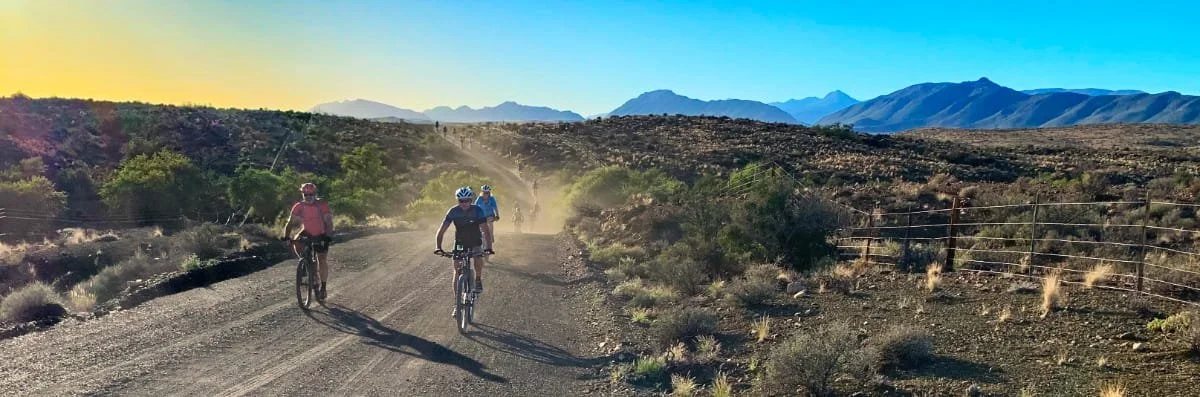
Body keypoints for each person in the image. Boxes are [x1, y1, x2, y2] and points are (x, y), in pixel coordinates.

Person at [435, 187, 492, 317]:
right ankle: (457, 304)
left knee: (478, 258)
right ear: (458, 200)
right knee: (456, 269)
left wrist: (488, 247)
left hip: (475, 241)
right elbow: (441, 230)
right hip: (460, 243)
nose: (464, 203)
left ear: (471, 200)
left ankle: (477, 279)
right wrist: (438, 246)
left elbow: (486, 230)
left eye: (467, 200)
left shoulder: (477, 210)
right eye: (461, 201)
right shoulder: (453, 212)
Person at [281, 183, 334, 300]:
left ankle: (323, 288)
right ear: (302, 194)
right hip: (307, 231)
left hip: (322, 233)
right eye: (306, 194)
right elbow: (290, 223)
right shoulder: (299, 206)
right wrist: (286, 236)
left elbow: (329, 222)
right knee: (296, 241)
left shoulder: (322, 205)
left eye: (311, 194)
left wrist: (327, 237)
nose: (308, 196)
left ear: (315, 194)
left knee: (322, 259)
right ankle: (306, 263)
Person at [475, 184, 500, 249]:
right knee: (479, 228)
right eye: (484, 192)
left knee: (490, 225)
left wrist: (497, 215)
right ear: (482, 192)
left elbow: (495, 208)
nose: (486, 194)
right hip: (482, 216)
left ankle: (491, 235)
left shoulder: (492, 199)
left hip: (490, 215)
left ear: (489, 193)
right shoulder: (479, 199)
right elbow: (475, 207)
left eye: (487, 193)